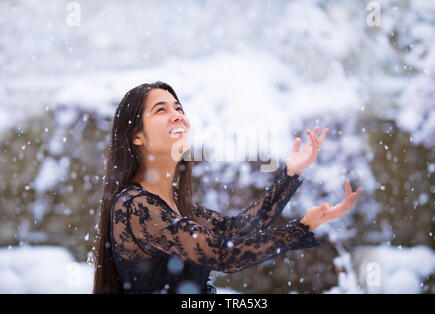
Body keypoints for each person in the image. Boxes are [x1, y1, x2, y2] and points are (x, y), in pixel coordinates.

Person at [92, 81, 364, 294]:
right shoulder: (135, 206)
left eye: (178, 108)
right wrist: (300, 227)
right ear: (136, 136)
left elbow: (237, 229)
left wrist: (291, 173)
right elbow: (226, 254)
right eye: (161, 109)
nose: (178, 116)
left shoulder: (171, 206)